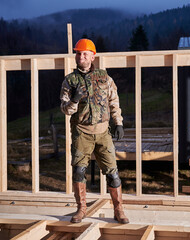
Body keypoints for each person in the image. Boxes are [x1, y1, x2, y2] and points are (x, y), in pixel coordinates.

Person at [60, 38, 129, 224]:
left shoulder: (104, 77)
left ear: (92, 56)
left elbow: (114, 101)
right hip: (81, 133)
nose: (81, 57)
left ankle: (119, 210)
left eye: (84, 54)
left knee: (112, 173)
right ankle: (81, 209)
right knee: (79, 172)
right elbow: (66, 110)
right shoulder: (70, 80)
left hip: (103, 132)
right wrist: (74, 100)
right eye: (78, 53)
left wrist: (118, 123)